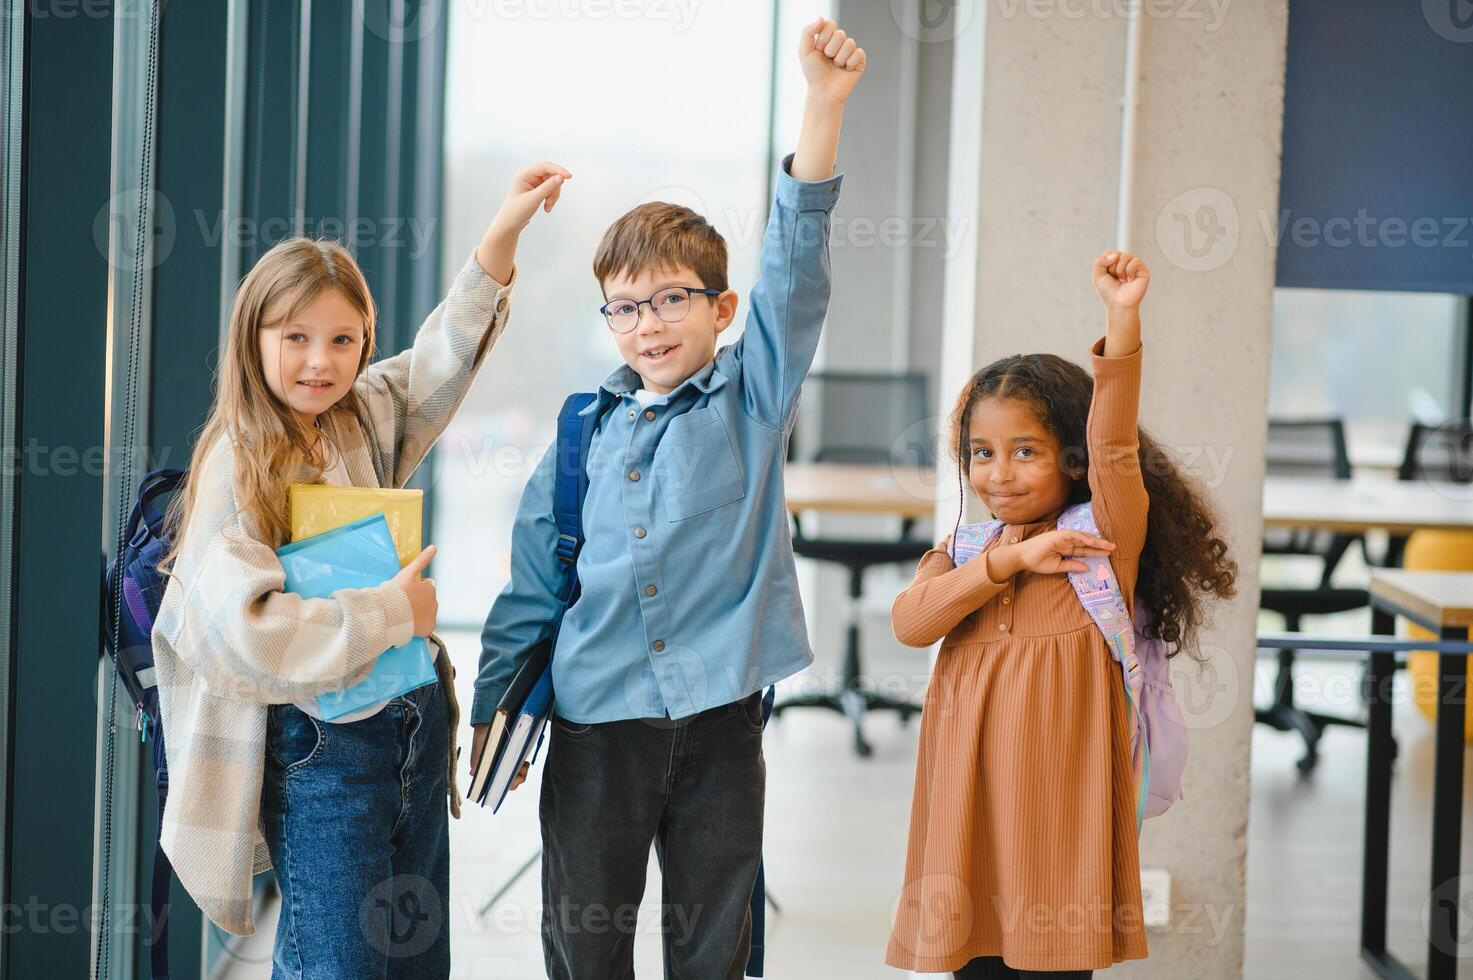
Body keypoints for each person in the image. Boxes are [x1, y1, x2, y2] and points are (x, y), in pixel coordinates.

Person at [469, 17, 866, 979]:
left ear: (720, 309)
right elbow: (533, 588)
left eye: (673, 298)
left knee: (712, 952)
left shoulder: (751, 396)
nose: (648, 324)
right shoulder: (579, 435)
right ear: (606, 315)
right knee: (585, 947)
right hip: (595, 724)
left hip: (723, 721)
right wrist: (491, 714)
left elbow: (795, 270)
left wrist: (821, 106)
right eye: (626, 305)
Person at [152, 161, 570, 977]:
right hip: (324, 753)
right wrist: (390, 615)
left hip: (408, 728)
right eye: (296, 337)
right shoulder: (235, 466)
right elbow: (242, 635)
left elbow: (439, 359)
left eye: (343, 339)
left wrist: (502, 233)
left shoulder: (360, 418)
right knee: (335, 964)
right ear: (254, 339)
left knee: (413, 962)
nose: (320, 361)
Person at [884, 250, 1238, 979]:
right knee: (972, 964)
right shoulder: (969, 548)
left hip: (1057, 824)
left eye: (1024, 451)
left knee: (1051, 968)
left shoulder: (1102, 543)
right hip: (968, 813)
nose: (998, 473)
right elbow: (911, 623)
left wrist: (1121, 322)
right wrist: (1007, 562)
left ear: (1070, 461)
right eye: (981, 453)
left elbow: (1114, 445)